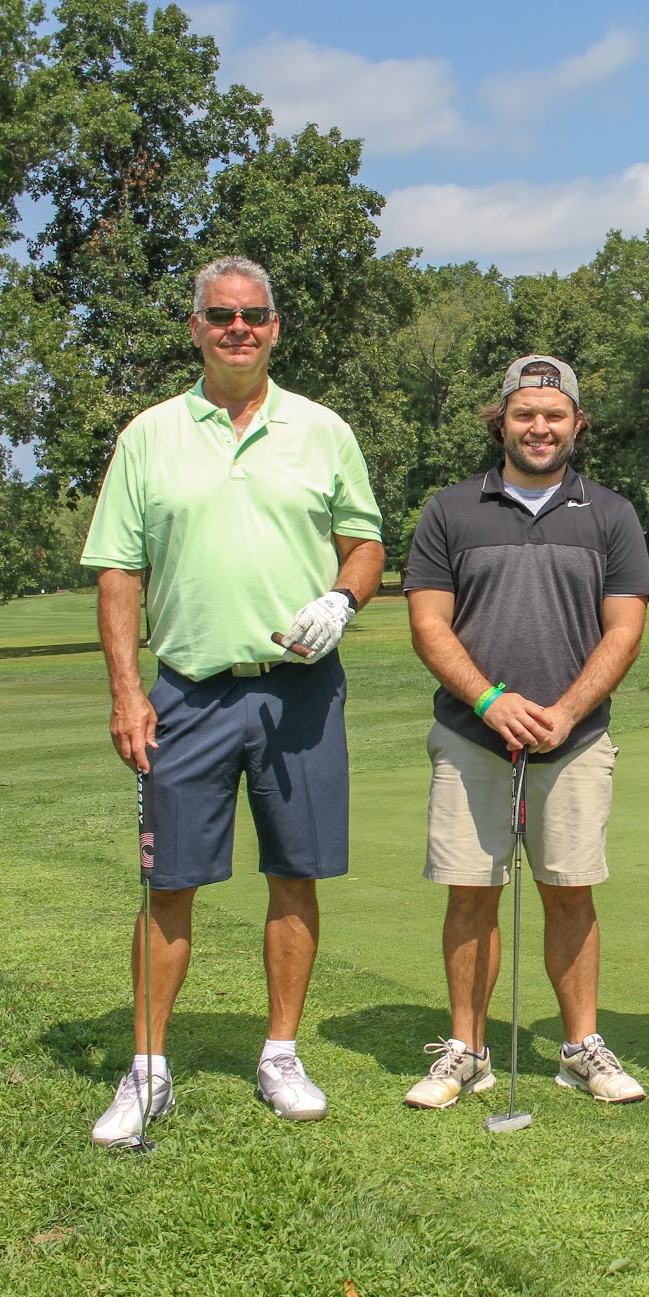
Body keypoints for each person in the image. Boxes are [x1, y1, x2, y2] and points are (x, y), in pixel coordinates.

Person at [81, 255, 385, 1145]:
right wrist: (127, 690)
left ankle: (280, 1052)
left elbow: (364, 542)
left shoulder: (323, 429)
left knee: (295, 874)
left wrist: (343, 599)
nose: (238, 328)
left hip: (301, 692)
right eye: (221, 315)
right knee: (167, 881)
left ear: (276, 326)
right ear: (196, 328)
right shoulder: (149, 435)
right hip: (188, 691)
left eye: (254, 314)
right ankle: (148, 1069)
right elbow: (118, 570)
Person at [400, 354, 649, 1108]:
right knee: (471, 893)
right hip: (472, 735)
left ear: (577, 424)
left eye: (554, 415)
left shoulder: (611, 514)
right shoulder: (451, 510)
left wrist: (566, 711)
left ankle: (580, 1048)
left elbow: (625, 629)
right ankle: (467, 1051)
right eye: (524, 414)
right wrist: (490, 702)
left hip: (574, 740)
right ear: (501, 421)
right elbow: (429, 624)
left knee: (570, 892)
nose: (539, 427)